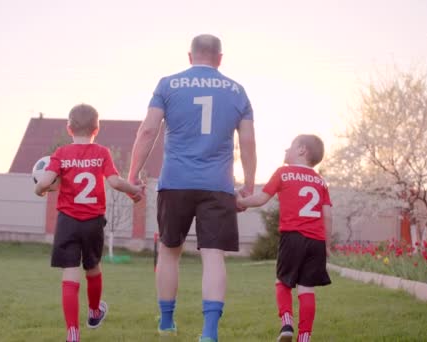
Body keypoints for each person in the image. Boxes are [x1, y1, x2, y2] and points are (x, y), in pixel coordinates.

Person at [128, 34, 257, 342]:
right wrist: (249, 185)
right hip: (219, 186)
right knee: (213, 257)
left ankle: (167, 324)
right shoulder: (237, 91)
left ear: (190, 56)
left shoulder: (168, 84)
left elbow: (148, 130)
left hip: (176, 182)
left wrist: (132, 173)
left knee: (169, 252)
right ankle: (209, 334)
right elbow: (249, 141)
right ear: (220, 58)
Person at [35, 104, 145, 342]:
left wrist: (39, 189)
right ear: (97, 129)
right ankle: (94, 312)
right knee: (92, 267)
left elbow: (44, 182)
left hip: (67, 222)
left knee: (70, 274)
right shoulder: (102, 152)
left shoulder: (61, 153)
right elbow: (115, 182)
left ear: (69, 128)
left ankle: (73, 334)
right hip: (93, 222)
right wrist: (134, 191)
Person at [236, 134, 332, 342]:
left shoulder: (284, 173)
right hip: (316, 242)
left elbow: (261, 199)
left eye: (290, 146)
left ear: (302, 150)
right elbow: (328, 215)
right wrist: (327, 244)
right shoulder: (320, 182)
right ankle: (304, 338)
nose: (285, 150)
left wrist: (240, 202)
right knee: (307, 289)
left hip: (293, 237)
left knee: (283, 283)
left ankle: (286, 324)